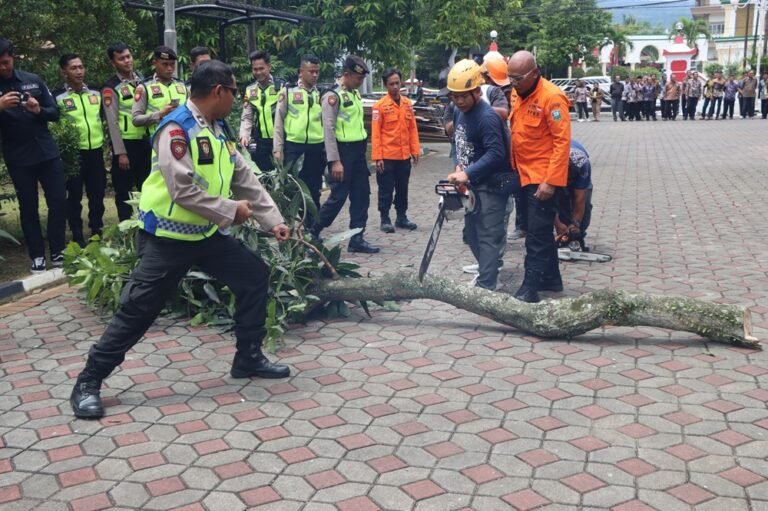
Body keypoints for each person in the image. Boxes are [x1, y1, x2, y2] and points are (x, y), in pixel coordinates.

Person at [69, 60, 291, 419]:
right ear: (218, 91)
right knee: (138, 309)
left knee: (253, 275)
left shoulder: (218, 128)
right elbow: (182, 190)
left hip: (206, 233)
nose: (236, 98)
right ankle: (88, 381)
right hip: (168, 239)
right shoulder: (176, 128)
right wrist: (230, 210)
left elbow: (243, 177)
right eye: (233, 91)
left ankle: (248, 357)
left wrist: (273, 220)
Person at [507, 50, 570, 303]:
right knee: (540, 231)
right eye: (510, 78)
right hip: (522, 174)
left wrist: (550, 181)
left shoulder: (552, 98)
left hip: (543, 178)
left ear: (534, 73)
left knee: (535, 235)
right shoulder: (517, 93)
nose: (513, 83)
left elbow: (562, 142)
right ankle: (551, 280)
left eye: (518, 78)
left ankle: (529, 288)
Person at [0, 38, 66, 273]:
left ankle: (58, 250)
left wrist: (38, 110)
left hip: (46, 152)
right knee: (28, 207)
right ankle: (37, 255)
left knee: (58, 201)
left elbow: (54, 112)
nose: (3, 67)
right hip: (18, 157)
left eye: (6, 62)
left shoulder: (32, 80)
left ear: (12, 58)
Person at [444, 59, 511, 291]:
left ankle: (487, 286)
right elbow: (459, 143)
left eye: (464, 96)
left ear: (477, 92)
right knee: (472, 235)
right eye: (454, 96)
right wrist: (459, 167)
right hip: (472, 185)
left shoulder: (487, 117)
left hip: (491, 186)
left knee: (488, 236)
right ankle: (488, 273)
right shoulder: (459, 112)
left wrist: (468, 172)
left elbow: (497, 154)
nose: (459, 101)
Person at [309, 55, 379, 253]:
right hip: (342, 153)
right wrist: (335, 161)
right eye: (358, 78)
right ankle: (313, 231)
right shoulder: (332, 96)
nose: (361, 82)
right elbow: (328, 130)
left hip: (358, 152)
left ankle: (357, 238)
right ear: (347, 74)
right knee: (338, 197)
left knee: (361, 196)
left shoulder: (354, 94)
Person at [53, 54, 106, 247]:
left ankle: (96, 231)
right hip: (73, 155)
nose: (79, 71)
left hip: (96, 151)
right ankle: (77, 235)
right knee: (74, 197)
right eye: (74, 68)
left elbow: (103, 118)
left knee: (97, 195)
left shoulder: (96, 93)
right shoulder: (58, 97)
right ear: (64, 72)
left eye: (81, 67)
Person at [272, 54, 325, 219]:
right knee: (294, 187)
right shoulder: (288, 91)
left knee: (314, 187)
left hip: (316, 147)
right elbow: (279, 121)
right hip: (294, 146)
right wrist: (278, 148)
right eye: (311, 71)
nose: (315, 75)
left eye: (317, 72)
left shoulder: (322, 93)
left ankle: (312, 224)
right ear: (301, 72)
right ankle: (294, 221)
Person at [103, 42, 150, 221]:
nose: (127, 61)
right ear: (113, 62)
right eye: (121, 58)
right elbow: (112, 122)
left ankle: (146, 225)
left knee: (147, 187)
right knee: (124, 191)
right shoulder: (111, 87)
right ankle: (125, 228)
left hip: (145, 142)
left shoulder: (143, 81)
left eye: (128, 56)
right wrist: (120, 152)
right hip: (125, 145)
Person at [371, 67, 420, 233]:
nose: (395, 87)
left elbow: (412, 128)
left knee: (402, 188)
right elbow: (376, 133)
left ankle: (401, 217)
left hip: (404, 156)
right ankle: (385, 219)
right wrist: (378, 157)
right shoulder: (379, 106)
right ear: (386, 85)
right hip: (387, 157)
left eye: (397, 83)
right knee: (386, 190)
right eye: (391, 84)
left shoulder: (407, 104)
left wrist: (415, 150)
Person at [239, 51, 282, 172]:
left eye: (261, 68)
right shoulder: (250, 90)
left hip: (281, 141)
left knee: (284, 176)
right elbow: (247, 117)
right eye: (255, 69)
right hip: (261, 141)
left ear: (269, 67)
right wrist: (244, 135)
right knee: (265, 176)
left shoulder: (281, 87)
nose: (258, 72)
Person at [132, 46, 188, 137]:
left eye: (172, 64)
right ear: (155, 63)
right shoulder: (144, 87)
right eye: (165, 64)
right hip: (155, 139)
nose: (169, 68)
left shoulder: (182, 86)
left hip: (181, 138)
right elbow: (136, 120)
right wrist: (160, 114)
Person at [555, 140, 592, 246]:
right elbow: (550, 203)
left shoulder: (582, 164)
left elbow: (580, 200)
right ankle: (562, 235)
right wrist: (558, 224)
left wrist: (575, 224)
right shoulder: (550, 165)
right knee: (561, 201)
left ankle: (577, 236)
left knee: (586, 205)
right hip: (554, 173)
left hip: (579, 169)